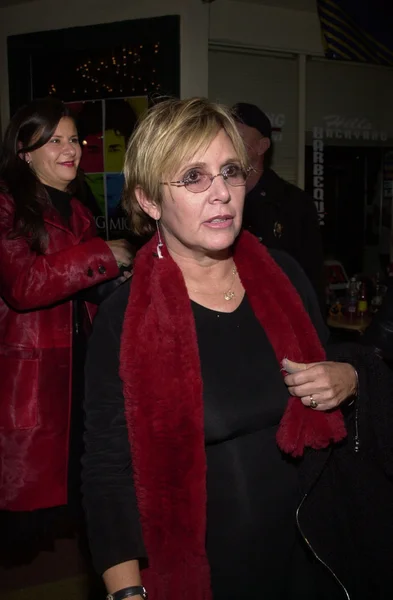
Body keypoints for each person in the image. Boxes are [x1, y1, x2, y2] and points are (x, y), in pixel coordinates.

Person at [82, 98, 393, 600]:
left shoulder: (284, 274)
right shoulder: (123, 319)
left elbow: (331, 358)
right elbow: (106, 470)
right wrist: (126, 593)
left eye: (230, 171)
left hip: (315, 554)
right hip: (207, 572)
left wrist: (350, 378)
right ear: (149, 201)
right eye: (194, 178)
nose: (223, 193)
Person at [0, 97, 133, 563]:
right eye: (54, 139)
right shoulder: (6, 205)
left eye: (73, 138)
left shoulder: (77, 211)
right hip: (31, 379)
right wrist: (103, 257)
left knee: (83, 495)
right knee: (20, 529)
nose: (70, 148)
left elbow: (85, 289)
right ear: (24, 150)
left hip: (80, 370)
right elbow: (24, 284)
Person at [232, 102, 325, 310]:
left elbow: (311, 278)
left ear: (262, 146)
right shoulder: (218, 200)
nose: (229, 144)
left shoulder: (293, 204)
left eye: (237, 136)